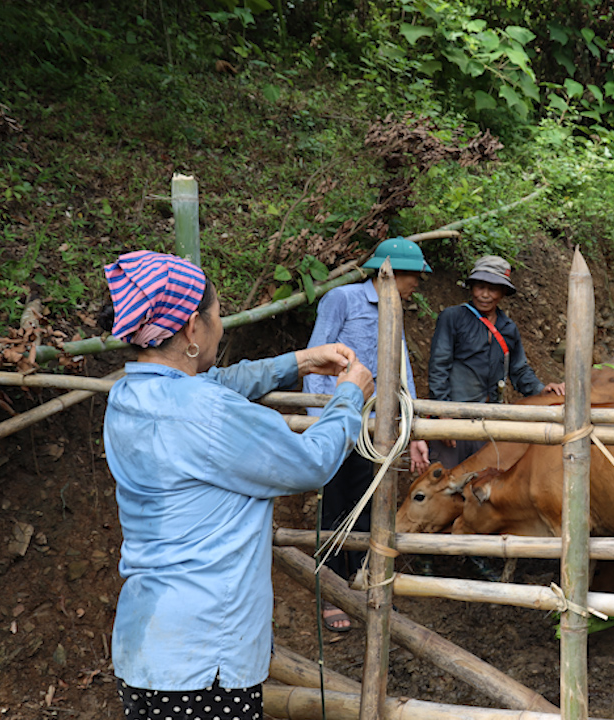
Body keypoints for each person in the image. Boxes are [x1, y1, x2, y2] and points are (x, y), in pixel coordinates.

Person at [100, 250, 372, 720]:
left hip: (143, 648)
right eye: (217, 315)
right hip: (204, 660)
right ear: (192, 328)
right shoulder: (207, 412)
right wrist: (350, 398)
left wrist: (301, 361)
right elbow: (310, 462)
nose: (220, 326)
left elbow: (217, 383)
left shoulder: (128, 394)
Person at [303, 237, 430, 631]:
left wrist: (415, 428)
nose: (417, 285)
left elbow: (401, 366)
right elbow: (315, 357)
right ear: (390, 272)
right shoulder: (342, 300)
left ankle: (360, 585)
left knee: (369, 505)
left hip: (379, 427)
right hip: (339, 421)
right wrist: (321, 423)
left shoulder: (394, 310)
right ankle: (332, 591)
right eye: (413, 276)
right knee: (336, 505)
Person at [427, 254, 564, 471]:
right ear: (471, 287)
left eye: (493, 288)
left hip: (490, 419)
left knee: (482, 484)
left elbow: (518, 370)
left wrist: (541, 389)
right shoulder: (452, 317)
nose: (485, 294)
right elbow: (439, 366)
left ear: (502, 293)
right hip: (454, 416)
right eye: (480, 287)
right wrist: (444, 414)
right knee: (445, 483)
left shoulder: (508, 327)